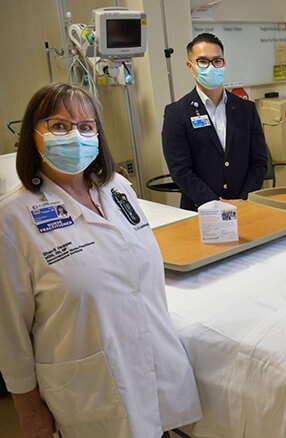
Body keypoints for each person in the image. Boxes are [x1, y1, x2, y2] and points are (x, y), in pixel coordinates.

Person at [0, 83, 202, 437]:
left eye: (86, 126)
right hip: (90, 389)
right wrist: (29, 410)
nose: (76, 135)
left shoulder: (118, 189)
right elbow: (8, 333)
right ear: (33, 135)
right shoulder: (12, 219)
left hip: (152, 366)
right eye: (59, 126)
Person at [162, 33, 268, 211]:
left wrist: (243, 199)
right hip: (200, 210)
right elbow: (180, 170)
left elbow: (259, 162)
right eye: (203, 61)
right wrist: (215, 202)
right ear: (190, 66)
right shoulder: (177, 113)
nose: (211, 67)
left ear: (224, 64)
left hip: (244, 206)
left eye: (217, 61)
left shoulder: (246, 109)